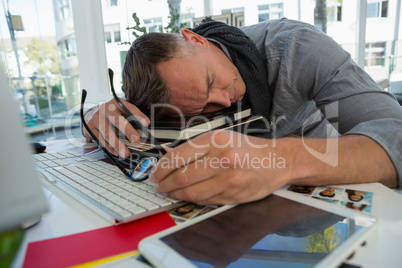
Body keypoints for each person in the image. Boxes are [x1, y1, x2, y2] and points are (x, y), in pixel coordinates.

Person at [83, 18, 402, 206]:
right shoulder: (170, 87)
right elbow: (110, 116)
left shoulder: (298, 47)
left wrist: (282, 161)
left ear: (195, 40)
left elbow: (397, 136)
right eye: (202, 108)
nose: (222, 101)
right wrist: (90, 119)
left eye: (210, 80)